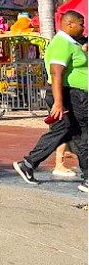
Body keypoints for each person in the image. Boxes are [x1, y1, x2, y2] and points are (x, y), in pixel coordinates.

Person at [13, 10, 88, 191]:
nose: (83, 28)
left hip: (73, 94)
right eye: (81, 24)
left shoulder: (71, 43)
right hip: (70, 95)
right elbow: (56, 73)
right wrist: (58, 101)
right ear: (70, 24)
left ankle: (29, 164)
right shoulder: (62, 43)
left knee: (71, 133)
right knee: (82, 133)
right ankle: (29, 163)